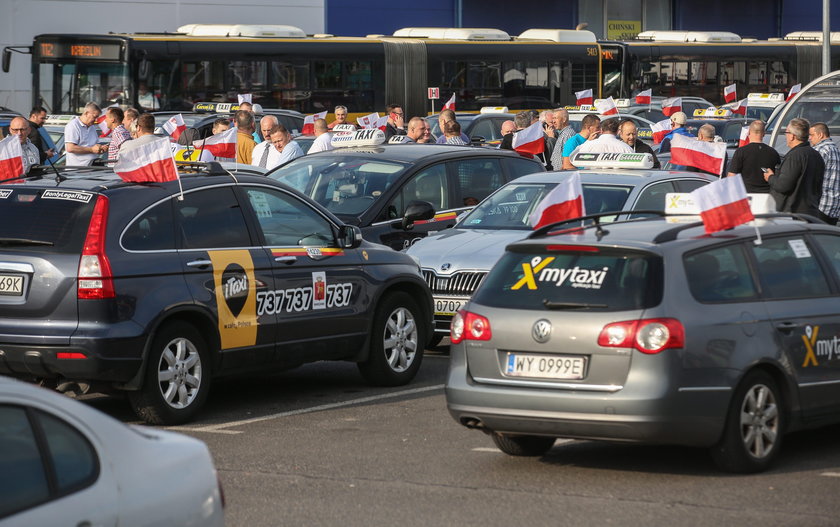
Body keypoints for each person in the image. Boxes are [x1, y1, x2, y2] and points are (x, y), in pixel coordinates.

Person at [763, 118, 824, 215]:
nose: (785, 136)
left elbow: (783, 185)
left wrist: (770, 177)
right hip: (811, 212)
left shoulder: (795, 156)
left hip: (793, 214)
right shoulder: (816, 155)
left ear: (792, 136)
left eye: (786, 133)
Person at [727, 120, 780, 193]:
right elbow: (778, 176)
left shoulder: (741, 152)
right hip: (767, 196)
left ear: (748, 133)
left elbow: (732, 177)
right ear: (764, 134)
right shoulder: (773, 153)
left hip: (747, 195)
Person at [809, 122, 840, 224]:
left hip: (821, 205)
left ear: (820, 135)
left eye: (812, 135)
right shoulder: (836, 149)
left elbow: (811, 177)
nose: (809, 138)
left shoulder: (819, 150)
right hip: (834, 205)